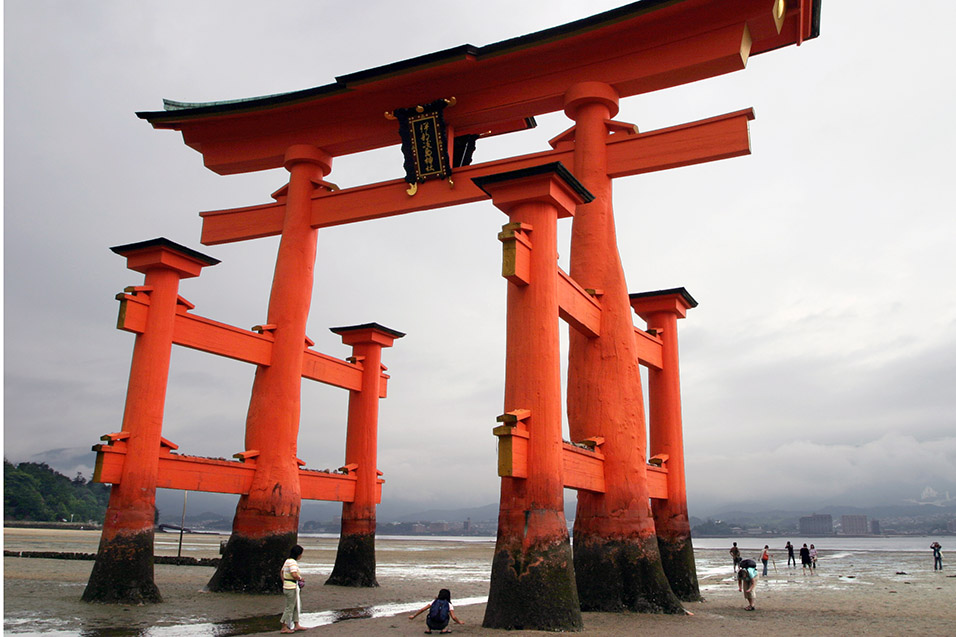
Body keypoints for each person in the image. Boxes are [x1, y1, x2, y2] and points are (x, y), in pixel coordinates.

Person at [280, 545, 308, 633]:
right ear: (298, 554)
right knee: (290, 607)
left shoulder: (287, 561)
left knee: (295, 606)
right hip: (291, 587)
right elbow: (294, 574)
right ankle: (284, 626)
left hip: (288, 585)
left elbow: (282, 572)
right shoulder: (292, 562)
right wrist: (300, 578)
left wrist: (284, 582)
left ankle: (296, 624)